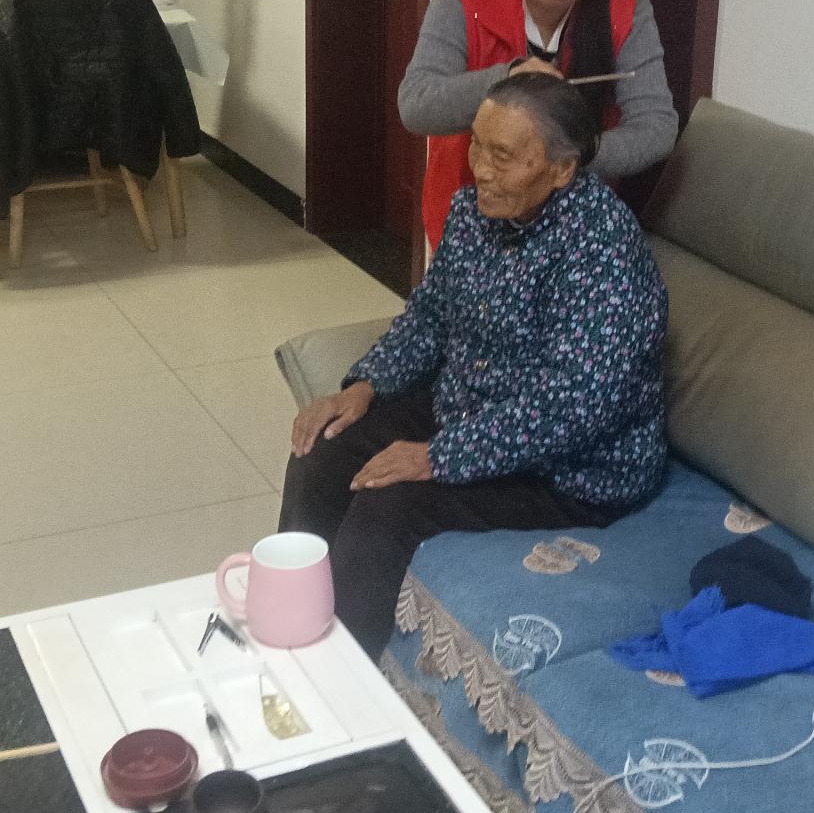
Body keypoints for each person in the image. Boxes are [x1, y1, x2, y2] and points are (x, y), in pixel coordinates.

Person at [279, 73, 669, 660]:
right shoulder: (472, 213)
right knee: (325, 448)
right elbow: (431, 316)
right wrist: (365, 385)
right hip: (470, 412)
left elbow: (573, 405)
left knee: (390, 502)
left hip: (570, 468)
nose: (481, 169)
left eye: (503, 156)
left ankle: (335, 680)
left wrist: (437, 456)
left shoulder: (602, 248)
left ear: (562, 169)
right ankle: (287, 622)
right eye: (476, 147)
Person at [399, 0, 679, 251]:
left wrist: (564, 160)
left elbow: (656, 126)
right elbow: (416, 104)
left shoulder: (627, 6)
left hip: (577, 227)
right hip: (470, 218)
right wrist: (508, 79)